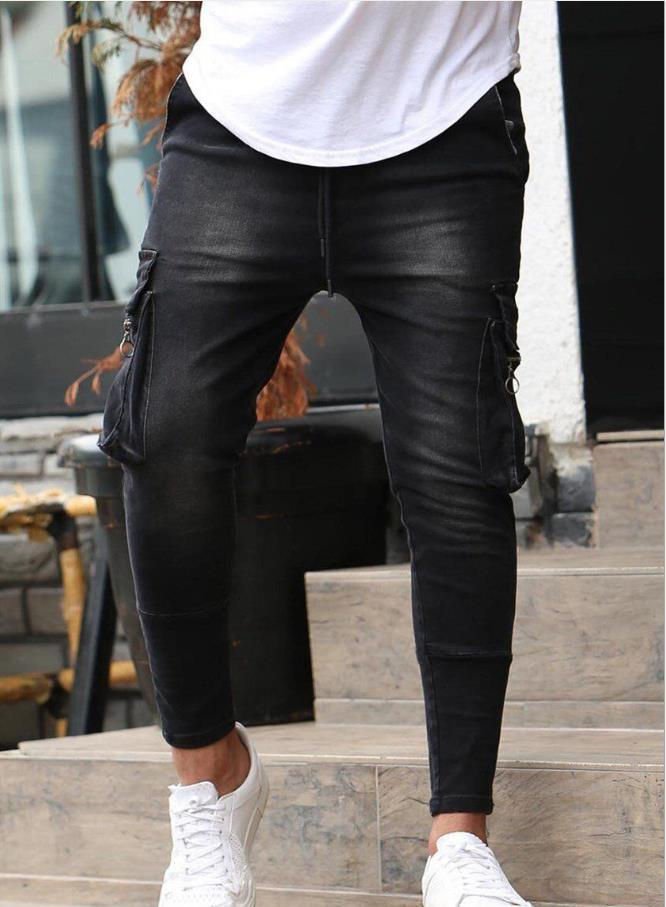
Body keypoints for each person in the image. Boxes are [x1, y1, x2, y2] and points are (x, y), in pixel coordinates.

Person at [98, 2, 533, 905]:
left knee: (457, 472)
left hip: (441, 117)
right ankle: (210, 781)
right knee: (165, 436)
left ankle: (459, 840)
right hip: (242, 118)